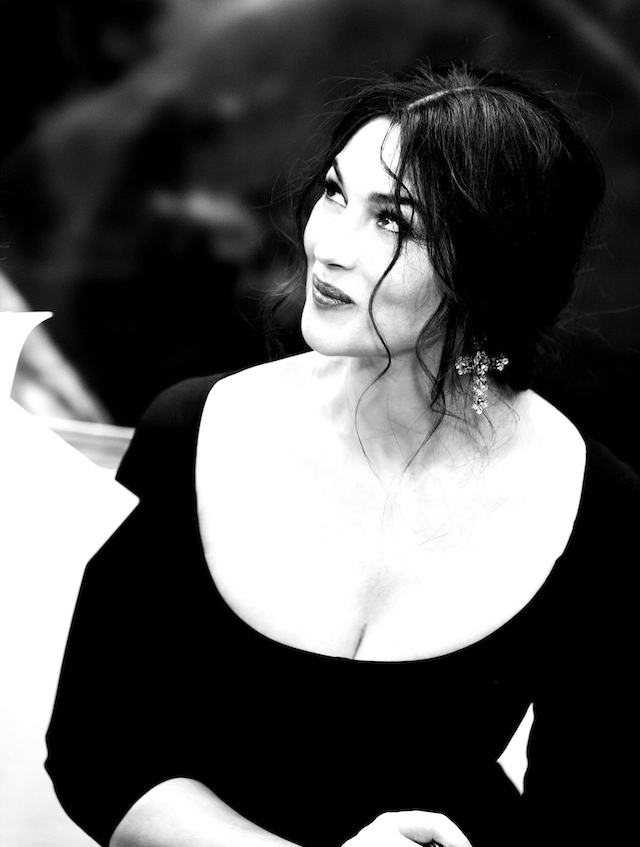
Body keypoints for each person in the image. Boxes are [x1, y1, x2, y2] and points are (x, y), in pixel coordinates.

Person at [45, 62, 639, 847]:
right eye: (334, 192)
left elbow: (591, 813)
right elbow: (97, 752)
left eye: (394, 220)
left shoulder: (598, 505)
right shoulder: (194, 428)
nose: (328, 245)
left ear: (494, 265)